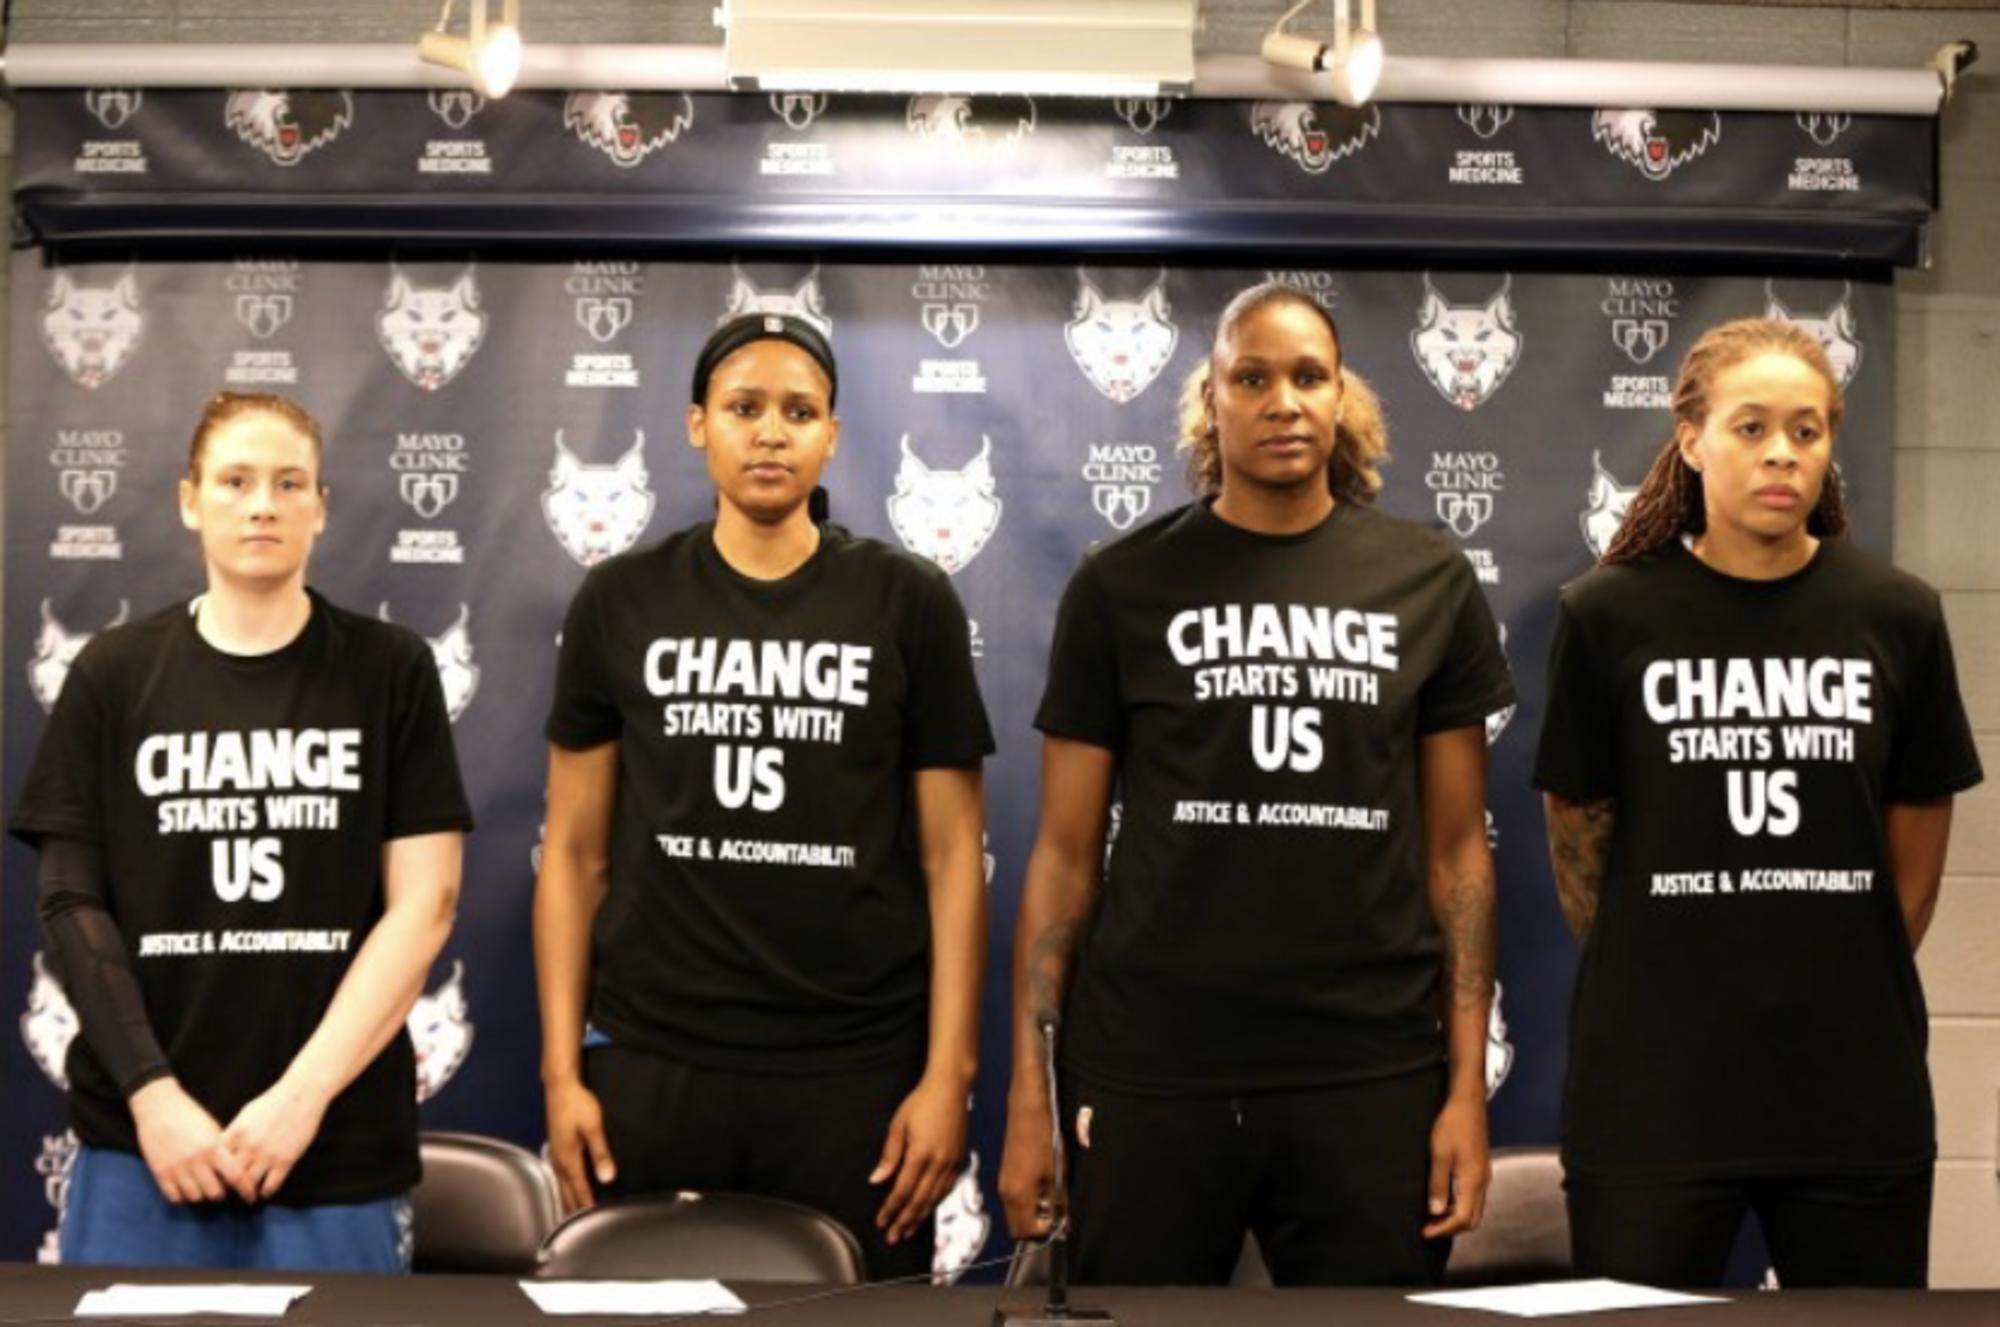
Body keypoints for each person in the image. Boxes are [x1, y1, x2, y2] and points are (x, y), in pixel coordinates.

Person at [998, 281, 1514, 1285]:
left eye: (1307, 376)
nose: (1283, 400)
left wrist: (1463, 1093)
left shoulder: (1426, 579)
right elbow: (1062, 854)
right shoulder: (1121, 586)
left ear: (1341, 400)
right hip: (1151, 1064)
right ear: (1211, 402)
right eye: (1252, 377)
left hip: (1366, 1067)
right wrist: (1031, 1094)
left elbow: (1458, 853)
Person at [536, 313, 992, 1279]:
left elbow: (955, 856)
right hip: (655, 1063)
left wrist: (948, 1074)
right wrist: (562, 1069)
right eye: (745, 407)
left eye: (800, 410)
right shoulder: (622, 597)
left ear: (833, 434)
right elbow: (574, 853)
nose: (772, 431)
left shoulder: (908, 600)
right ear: (699, 424)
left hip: (854, 1068)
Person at [1535, 317, 1982, 1288]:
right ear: (1689, 439)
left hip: (1850, 1092)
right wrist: (1671, 967)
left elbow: (1910, 858)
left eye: (1807, 429)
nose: (1782, 451)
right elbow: (1579, 847)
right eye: (1749, 427)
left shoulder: (1896, 614)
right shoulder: (1603, 614)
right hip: (1650, 1090)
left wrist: (1825, 969)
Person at [11, 391, 472, 1271]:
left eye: (289, 481)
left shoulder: (391, 670)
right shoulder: (112, 672)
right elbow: (71, 902)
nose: (262, 502)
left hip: (330, 1142)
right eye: (235, 480)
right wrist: (154, 1098)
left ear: (320, 506)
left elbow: (427, 905)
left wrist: (301, 1099)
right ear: (191, 499)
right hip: (145, 1146)